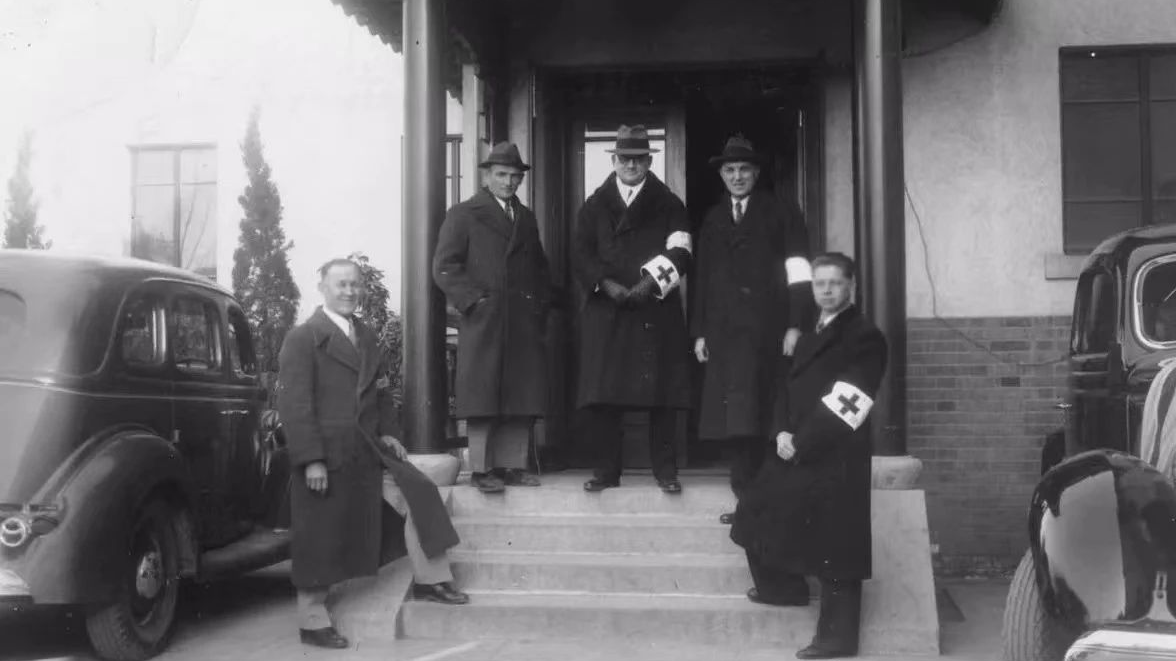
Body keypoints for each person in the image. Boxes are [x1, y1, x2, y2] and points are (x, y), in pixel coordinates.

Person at [278, 258, 468, 650]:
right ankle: (312, 620)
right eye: (340, 285)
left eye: (354, 285)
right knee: (320, 532)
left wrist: (392, 435)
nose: (349, 292)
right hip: (326, 455)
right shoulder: (303, 338)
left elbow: (381, 393)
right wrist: (311, 458)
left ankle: (433, 579)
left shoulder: (365, 335)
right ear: (323, 288)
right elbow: (295, 406)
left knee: (421, 492)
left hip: (367, 447)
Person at [730, 252, 887, 659]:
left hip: (835, 454)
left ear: (852, 286)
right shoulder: (809, 333)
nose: (828, 290)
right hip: (794, 445)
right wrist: (781, 430)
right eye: (820, 284)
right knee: (754, 508)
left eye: (836, 283)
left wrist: (802, 441)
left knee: (837, 546)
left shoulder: (865, 336)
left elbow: (850, 401)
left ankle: (837, 640)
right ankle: (782, 589)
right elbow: (785, 386)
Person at [691, 135, 814, 525]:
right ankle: (744, 504)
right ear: (722, 175)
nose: (738, 176)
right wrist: (699, 333)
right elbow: (703, 281)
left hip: (769, 336)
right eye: (730, 170)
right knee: (735, 425)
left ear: (756, 173)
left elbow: (799, 273)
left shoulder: (781, 212)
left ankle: (765, 504)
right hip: (725, 338)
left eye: (745, 169)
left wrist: (796, 324)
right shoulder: (712, 219)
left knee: (765, 419)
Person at [572, 124, 692, 494]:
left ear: (649, 160)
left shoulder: (670, 204)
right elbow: (581, 254)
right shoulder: (593, 206)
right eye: (625, 158)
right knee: (605, 397)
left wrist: (647, 285)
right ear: (614, 160)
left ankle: (666, 472)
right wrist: (607, 285)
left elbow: (681, 251)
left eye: (638, 159)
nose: (631, 165)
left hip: (653, 311)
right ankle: (607, 472)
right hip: (608, 312)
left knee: (662, 397)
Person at [434, 142, 554, 493]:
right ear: (487, 176)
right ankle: (484, 470)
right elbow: (444, 266)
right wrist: (475, 300)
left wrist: (539, 305)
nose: (509, 182)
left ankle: (513, 466)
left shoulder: (526, 217)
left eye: (515, 176)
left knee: (521, 396)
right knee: (484, 395)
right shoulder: (464, 213)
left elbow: (539, 268)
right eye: (502, 175)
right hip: (484, 321)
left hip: (521, 321)